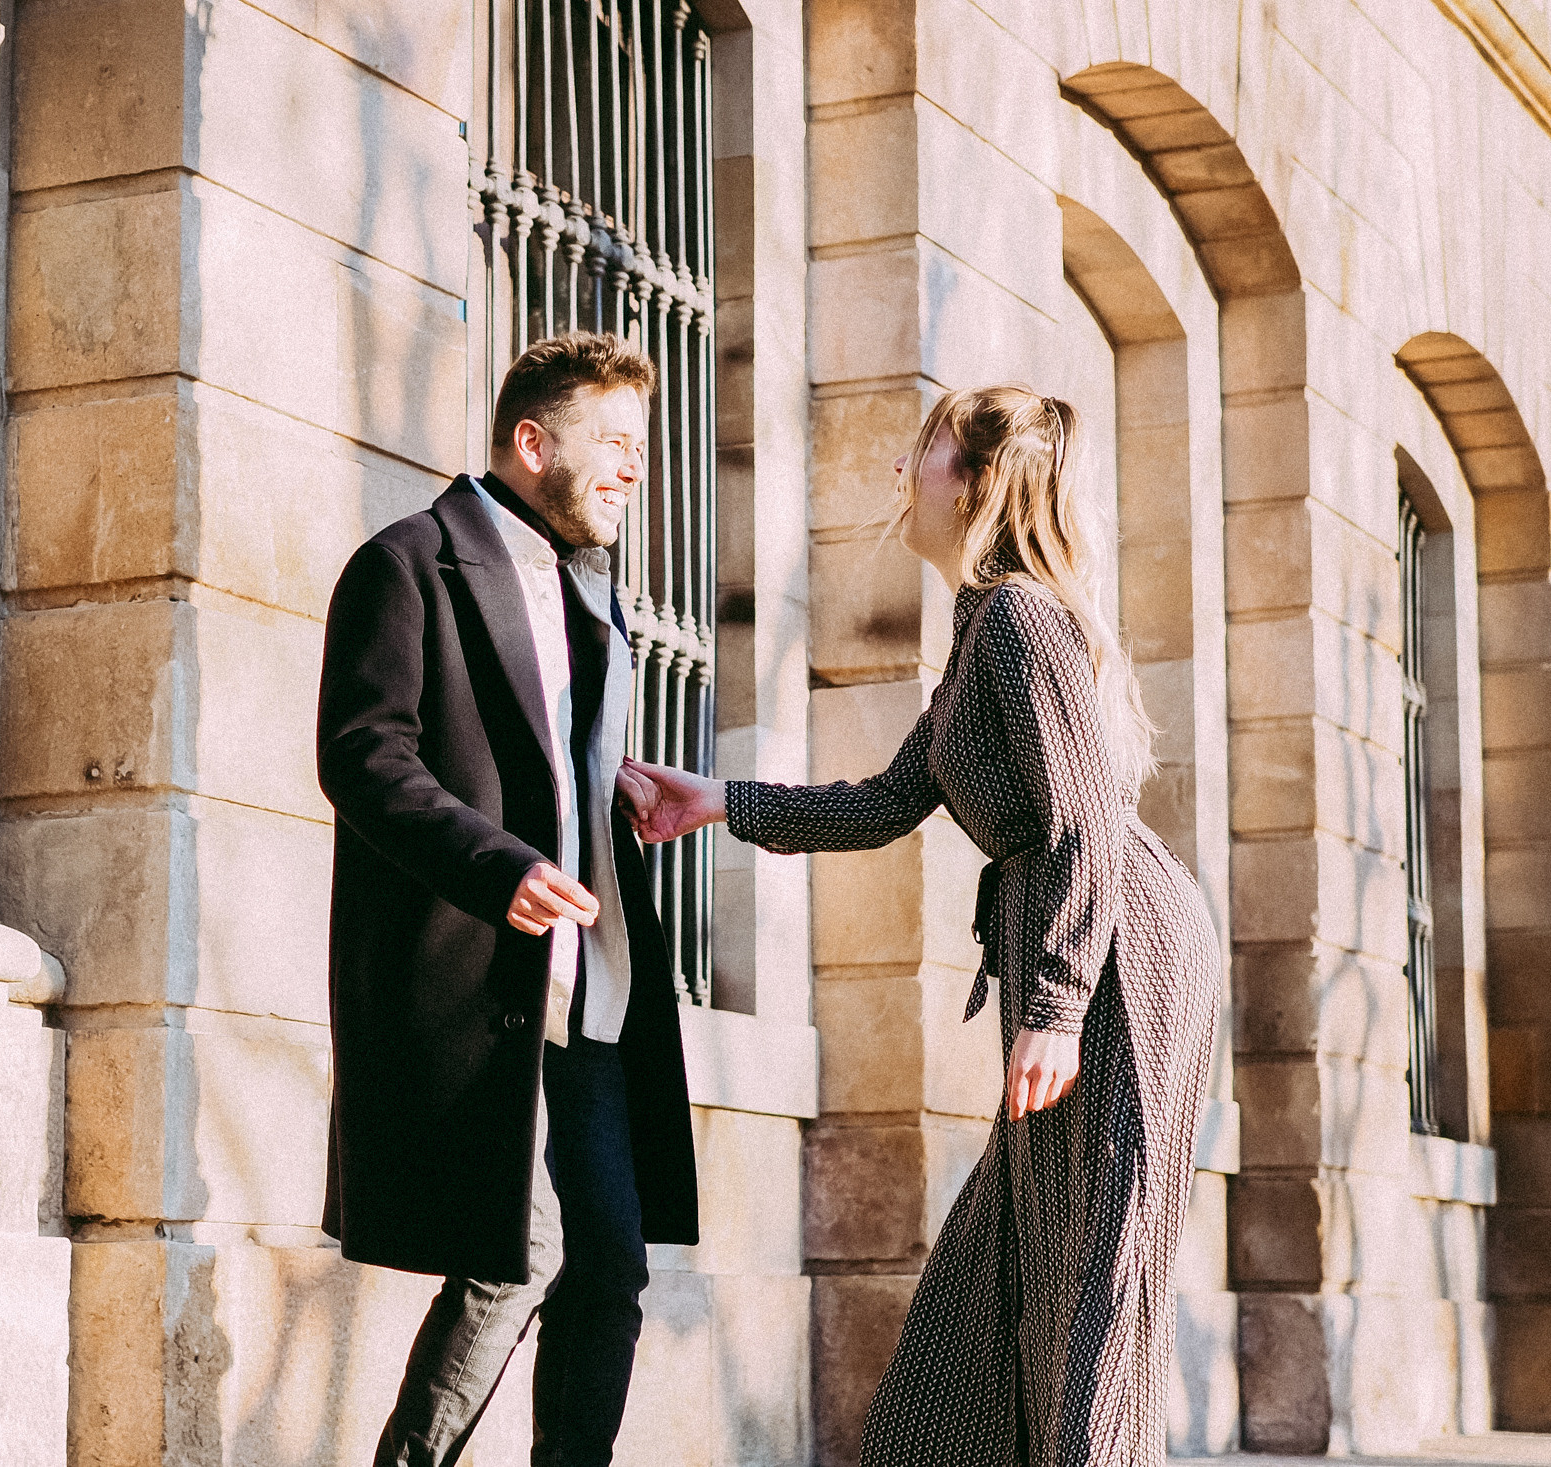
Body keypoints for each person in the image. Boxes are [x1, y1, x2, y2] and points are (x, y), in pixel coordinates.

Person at [618, 384, 1222, 1466]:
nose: (903, 472)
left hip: (1116, 960)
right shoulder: (980, 632)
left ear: (979, 484)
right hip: (1084, 946)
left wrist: (1054, 1008)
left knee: (1092, 1287)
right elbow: (884, 803)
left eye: (925, 451)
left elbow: (1082, 816)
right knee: (993, 1291)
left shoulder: (1018, 620)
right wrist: (713, 800)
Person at [317, 331, 699, 1467]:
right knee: (511, 1260)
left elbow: (545, 758)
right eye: (615, 445)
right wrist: (499, 864)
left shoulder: (596, 594)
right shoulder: (405, 564)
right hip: (480, 985)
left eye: (642, 448)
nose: (635, 470)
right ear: (532, 443)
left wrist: (613, 789)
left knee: (611, 1272)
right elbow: (365, 757)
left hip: (593, 999)